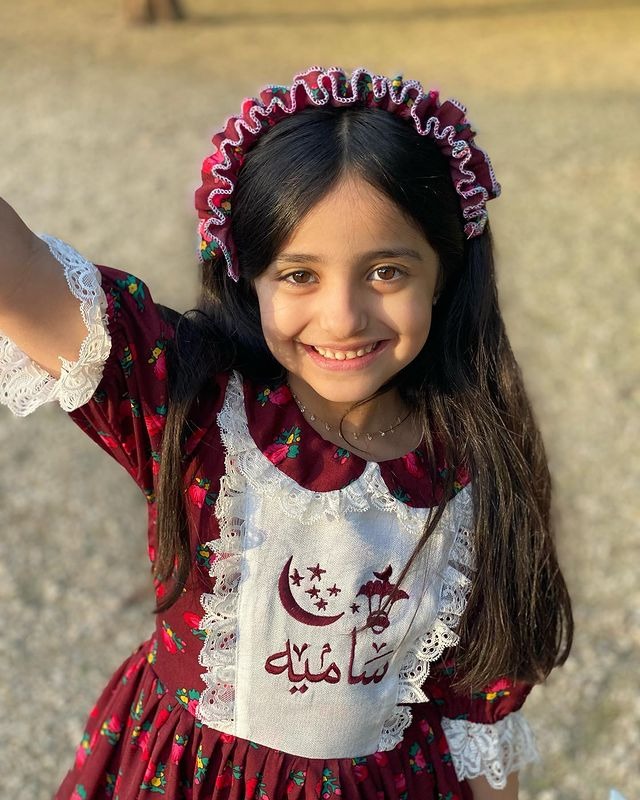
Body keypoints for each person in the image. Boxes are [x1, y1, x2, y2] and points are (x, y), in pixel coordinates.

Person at [0, 66, 573, 800]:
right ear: (248, 274)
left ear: (444, 273)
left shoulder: (478, 466)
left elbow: (483, 710)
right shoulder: (192, 404)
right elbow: (20, 273)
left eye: (387, 271)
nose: (342, 318)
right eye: (299, 274)